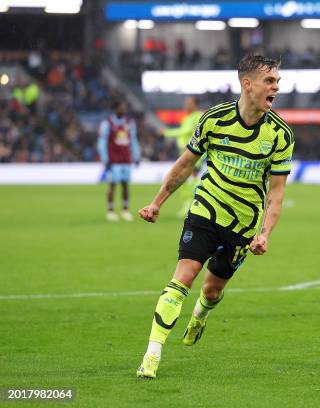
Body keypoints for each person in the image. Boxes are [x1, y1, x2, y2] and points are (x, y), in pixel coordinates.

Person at [136, 54, 294, 379]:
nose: (276, 87)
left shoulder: (280, 135)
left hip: (243, 226)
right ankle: (152, 354)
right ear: (247, 84)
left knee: (211, 289)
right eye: (270, 81)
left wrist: (265, 232)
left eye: (277, 81)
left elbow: (277, 192)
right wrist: (157, 203)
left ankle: (201, 314)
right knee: (184, 276)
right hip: (205, 212)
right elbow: (184, 166)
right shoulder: (214, 119)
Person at [161, 96, 204, 216]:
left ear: (195, 104)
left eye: (189, 103)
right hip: (183, 154)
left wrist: (166, 132)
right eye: (186, 103)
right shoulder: (187, 118)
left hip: (194, 154)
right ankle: (187, 204)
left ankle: (193, 204)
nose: (186, 105)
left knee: (193, 180)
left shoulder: (198, 116)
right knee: (182, 180)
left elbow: (184, 132)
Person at [97, 100, 140, 221]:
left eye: (124, 107)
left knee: (125, 184)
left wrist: (136, 156)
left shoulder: (129, 123)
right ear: (115, 108)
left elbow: (133, 140)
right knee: (112, 185)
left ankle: (125, 210)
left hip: (126, 159)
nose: (124, 109)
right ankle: (110, 211)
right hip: (113, 160)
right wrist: (105, 159)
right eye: (121, 107)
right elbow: (102, 142)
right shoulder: (107, 123)